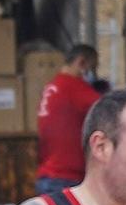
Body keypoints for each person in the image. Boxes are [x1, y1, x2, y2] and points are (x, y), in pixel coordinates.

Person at [35, 43, 100, 197]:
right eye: (92, 68)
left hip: (48, 174)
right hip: (67, 176)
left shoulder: (53, 86)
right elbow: (110, 109)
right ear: (81, 62)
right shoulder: (74, 87)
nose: (92, 74)